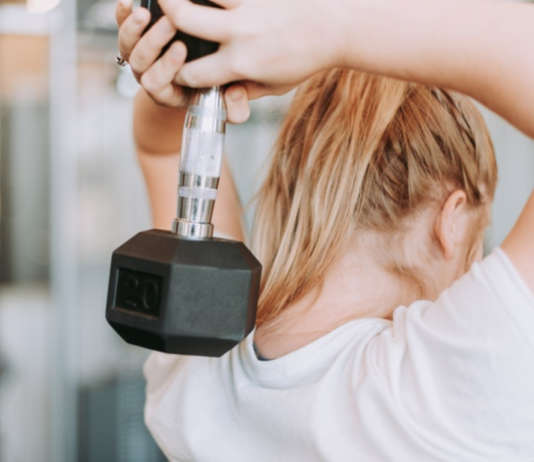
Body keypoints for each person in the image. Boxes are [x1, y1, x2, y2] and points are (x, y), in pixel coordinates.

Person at [115, 0, 534, 460]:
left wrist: (183, 62)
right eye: (480, 238)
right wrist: (326, 27)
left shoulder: (198, 357)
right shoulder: (439, 391)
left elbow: (161, 147)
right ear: (450, 220)